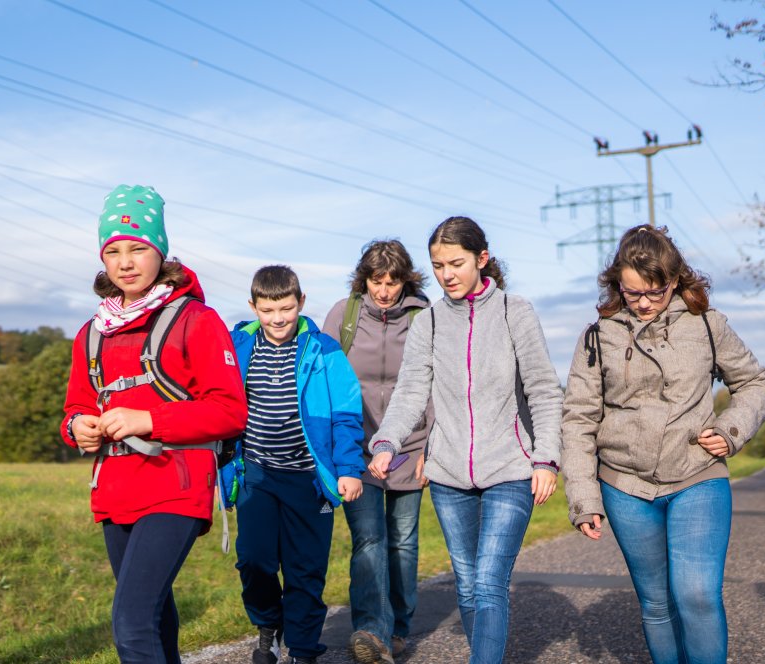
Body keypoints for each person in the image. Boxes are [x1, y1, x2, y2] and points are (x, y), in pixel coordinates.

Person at [561, 224, 765, 664]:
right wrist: (584, 498)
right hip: (624, 487)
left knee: (696, 594)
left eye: (654, 293)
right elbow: (579, 419)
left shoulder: (707, 325)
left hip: (697, 477)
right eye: (632, 292)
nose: (643, 303)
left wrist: (731, 430)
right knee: (656, 603)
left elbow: (754, 382)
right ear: (617, 282)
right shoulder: (597, 337)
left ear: (674, 280)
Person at [59, 184, 248, 664]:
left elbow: (229, 410)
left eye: (137, 248)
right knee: (154, 613)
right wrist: (78, 426)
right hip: (114, 491)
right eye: (113, 251)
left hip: (176, 484)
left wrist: (148, 418)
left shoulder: (197, 320)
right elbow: (76, 406)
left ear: (159, 252)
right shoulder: (91, 331)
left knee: (130, 622)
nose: (125, 261)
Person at [367, 217, 563, 664]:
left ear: (482, 259)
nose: (446, 274)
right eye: (438, 265)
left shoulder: (516, 311)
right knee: (470, 584)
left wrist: (546, 458)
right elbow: (411, 393)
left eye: (456, 263)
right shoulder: (429, 323)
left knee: (490, 581)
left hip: (511, 469)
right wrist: (387, 443)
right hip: (450, 474)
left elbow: (543, 388)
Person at [224, 265, 366, 664]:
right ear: (253, 307)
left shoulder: (323, 349)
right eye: (268, 310)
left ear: (300, 303)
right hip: (257, 474)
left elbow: (346, 412)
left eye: (286, 308)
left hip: (308, 478)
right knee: (254, 559)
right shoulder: (237, 346)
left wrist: (349, 469)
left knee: (305, 569)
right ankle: (268, 625)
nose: (278, 318)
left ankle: (303, 650)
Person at [321, 240, 431, 664]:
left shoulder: (424, 318)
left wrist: (432, 448)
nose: (384, 291)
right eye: (376, 281)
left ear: (406, 280)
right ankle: (371, 629)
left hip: (411, 446)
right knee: (368, 539)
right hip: (357, 450)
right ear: (363, 279)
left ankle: (399, 626)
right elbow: (324, 378)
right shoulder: (343, 315)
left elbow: (438, 384)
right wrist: (333, 448)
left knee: (402, 541)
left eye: (392, 281)